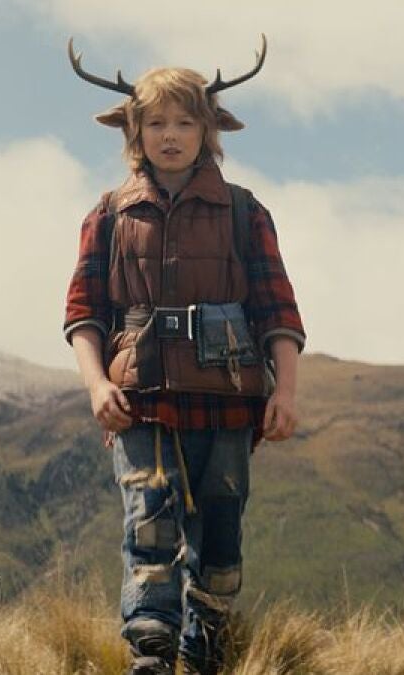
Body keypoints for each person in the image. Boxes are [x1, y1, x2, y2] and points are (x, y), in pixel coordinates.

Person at [63, 37, 306, 675]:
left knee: (221, 535)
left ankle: (205, 650)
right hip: (139, 400)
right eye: (155, 123)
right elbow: (84, 312)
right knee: (148, 526)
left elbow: (277, 310)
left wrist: (286, 391)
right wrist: (96, 386)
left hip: (228, 400)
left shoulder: (245, 211)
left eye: (184, 122)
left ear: (209, 130)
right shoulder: (108, 214)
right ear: (133, 131)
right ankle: (151, 655)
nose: (169, 135)